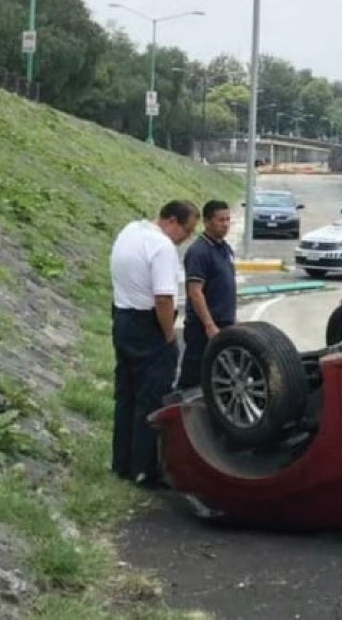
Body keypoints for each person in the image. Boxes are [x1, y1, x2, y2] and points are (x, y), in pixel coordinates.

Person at [109, 200, 199, 488]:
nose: (186, 237)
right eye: (186, 230)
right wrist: (169, 334)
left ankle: (122, 463)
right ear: (172, 221)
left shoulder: (130, 231)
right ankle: (145, 469)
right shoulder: (162, 247)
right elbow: (163, 298)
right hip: (148, 326)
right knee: (151, 398)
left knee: (127, 395)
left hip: (122, 318)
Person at [176, 200, 237, 390]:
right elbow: (195, 292)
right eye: (221, 220)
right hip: (203, 328)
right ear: (207, 222)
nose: (225, 224)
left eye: (228, 219)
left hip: (225, 324)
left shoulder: (225, 248)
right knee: (193, 377)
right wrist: (209, 325)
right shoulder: (199, 252)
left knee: (220, 377)